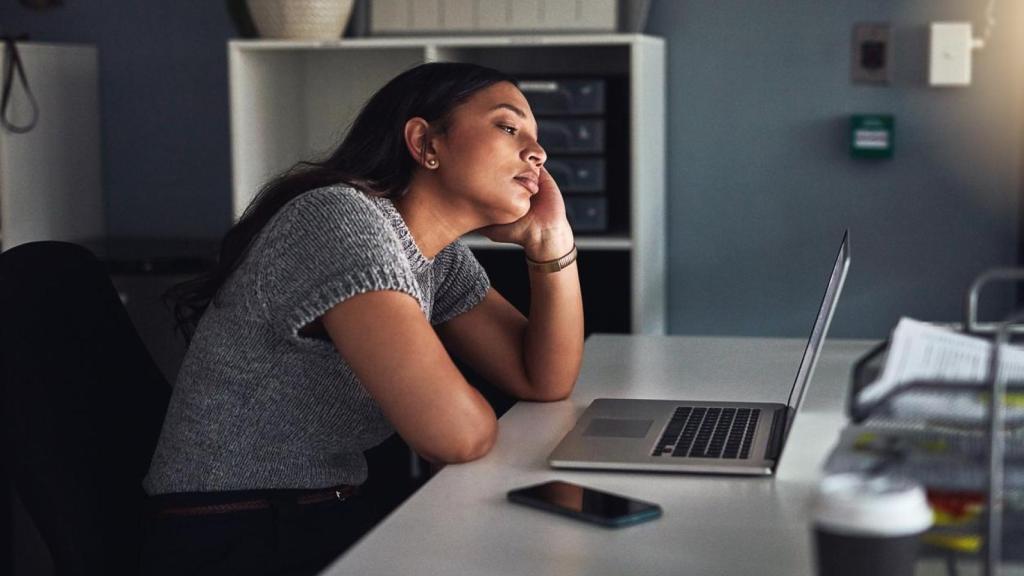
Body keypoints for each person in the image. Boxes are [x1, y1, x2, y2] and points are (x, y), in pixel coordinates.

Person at [141, 62, 584, 574]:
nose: (538, 153)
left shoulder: (434, 255)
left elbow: (543, 378)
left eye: (536, 137)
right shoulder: (340, 219)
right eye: (509, 128)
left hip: (314, 512)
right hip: (234, 534)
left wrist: (553, 239)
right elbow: (456, 436)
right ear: (425, 143)